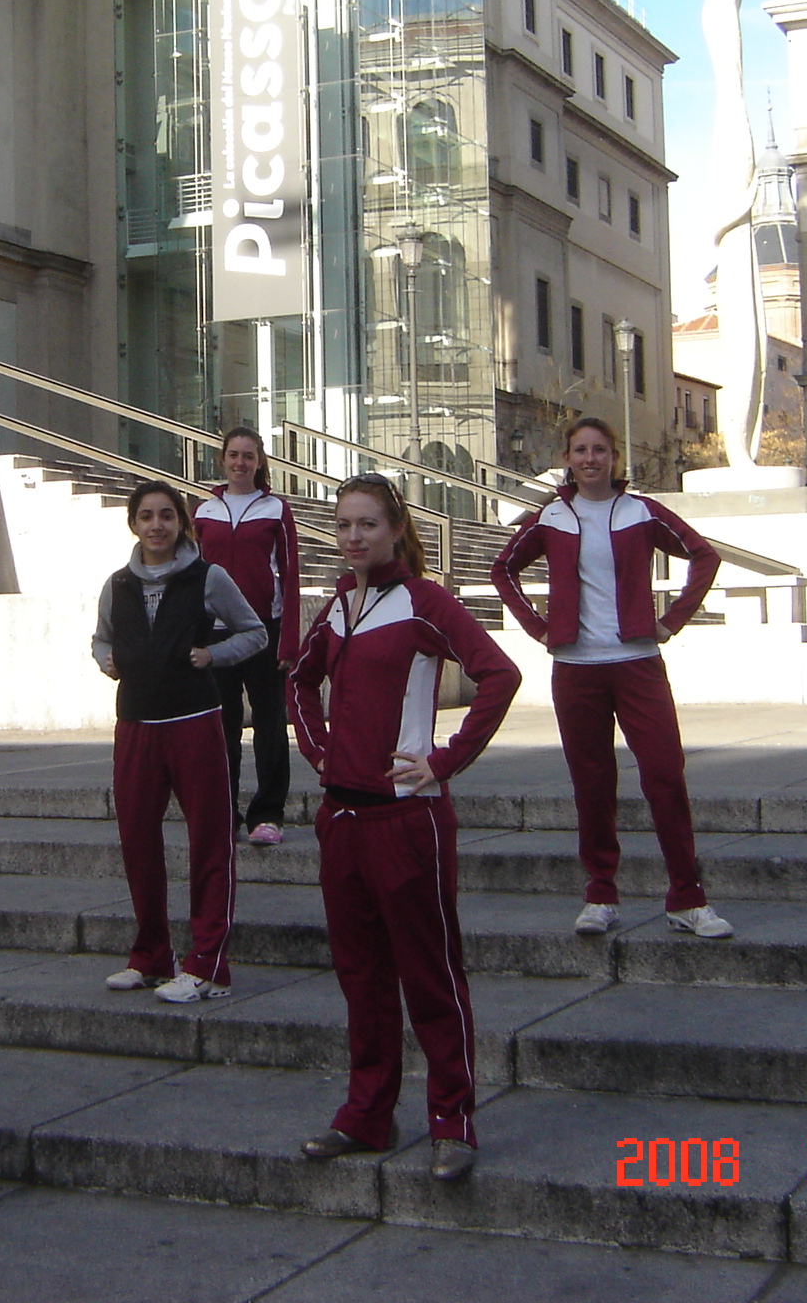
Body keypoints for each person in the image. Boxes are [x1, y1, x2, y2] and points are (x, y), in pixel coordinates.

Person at [289, 473, 520, 1184]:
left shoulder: (424, 602)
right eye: (343, 525)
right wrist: (320, 752)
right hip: (343, 818)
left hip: (408, 820)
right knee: (360, 976)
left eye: (367, 524)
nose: (354, 537)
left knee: (430, 972)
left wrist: (444, 759)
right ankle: (367, 1113)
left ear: (394, 529)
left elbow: (499, 675)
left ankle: (452, 1119)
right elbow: (298, 682)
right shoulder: (337, 607)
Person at [491, 416, 734, 941]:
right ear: (567, 458)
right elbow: (503, 568)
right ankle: (600, 893)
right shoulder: (550, 516)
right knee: (592, 784)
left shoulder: (641, 512)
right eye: (580, 450)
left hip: (638, 663)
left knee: (666, 775)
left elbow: (704, 555)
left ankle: (687, 898)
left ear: (614, 458)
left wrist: (671, 621)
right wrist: (538, 626)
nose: (590, 459)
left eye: (600, 450)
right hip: (576, 669)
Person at [92, 480, 267, 1004]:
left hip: (194, 720)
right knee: (137, 840)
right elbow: (101, 637)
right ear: (133, 524)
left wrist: (214, 656)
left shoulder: (208, 577)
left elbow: (254, 632)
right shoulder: (117, 584)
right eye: (146, 516)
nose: (157, 525)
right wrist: (105, 660)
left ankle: (208, 964)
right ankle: (150, 956)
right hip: (136, 726)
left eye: (167, 515)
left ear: (181, 523)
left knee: (209, 840)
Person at [193, 427, 301, 845]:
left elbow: (290, 577)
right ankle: (224, 811)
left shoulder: (276, 509)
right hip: (216, 636)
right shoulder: (204, 511)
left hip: (264, 632)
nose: (240, 463)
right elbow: (192, 577)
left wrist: (289, 642)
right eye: (234, 455)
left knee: (271, 724)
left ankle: (268, 813)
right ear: (222, 460)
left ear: (259, 462)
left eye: (249, 456)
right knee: (221, 726)